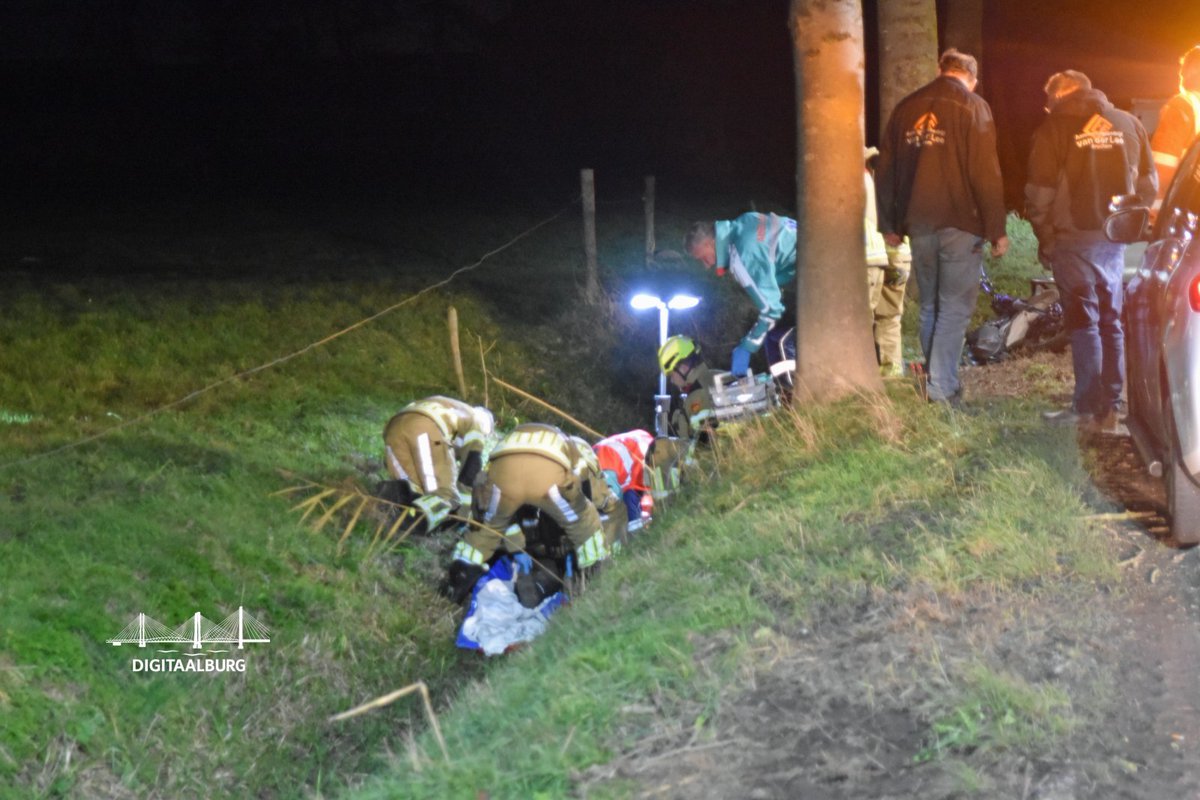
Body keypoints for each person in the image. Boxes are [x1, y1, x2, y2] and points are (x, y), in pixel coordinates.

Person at [875, 48, 1008, 406]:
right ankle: (942, 388)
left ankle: (935, 380)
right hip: (960, 223)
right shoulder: (973, 106)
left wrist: (889, 223)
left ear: (940, 70)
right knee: (954, 307)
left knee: (931, 306)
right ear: (972, 78)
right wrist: (996, 228)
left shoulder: (906, 108)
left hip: (918, 224)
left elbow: (885, 170)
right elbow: (985, 172)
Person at [1025, 70, 1156, 430]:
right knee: (1112, 322)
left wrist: (1046, 238)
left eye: (1049, 101)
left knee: (1084, 323)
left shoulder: (1052, 130)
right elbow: (1148, 184)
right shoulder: (1128, 123)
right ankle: (1110, 407)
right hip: (1114, 241)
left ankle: (1086, 407)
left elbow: (1039, 193)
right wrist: (1128, 221)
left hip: (1073, 240)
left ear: (1060, 95)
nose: (1047, 107)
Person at [443, 423, 611, 603]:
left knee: (485, 533)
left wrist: (516, 546)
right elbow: (583, 487)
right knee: (585, 526)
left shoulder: (516, 435)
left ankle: (453, 588)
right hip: (549, 479)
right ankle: (597, 587)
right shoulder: (574, 448)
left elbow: (489, 480)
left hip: (502, 473)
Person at [683, 211, 797, 376]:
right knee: (779, 336)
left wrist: (747, 346)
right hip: (818, 251)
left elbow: (771, 310)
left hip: (818, 271)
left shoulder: (743, 256)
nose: (706, 266)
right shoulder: (746, 221)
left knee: (780, 345)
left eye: (703, 258)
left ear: (710, 243)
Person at [381, 396, 494, 532]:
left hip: (394, 427)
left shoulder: (452, 407)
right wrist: (462, 514)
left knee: (415, 488)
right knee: (445, 495)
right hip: (425, 428)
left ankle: (384, 498)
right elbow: (471, 469)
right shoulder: (478, 423)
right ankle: (411, 527)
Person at [864, 146, 912, 376]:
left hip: (873, 256)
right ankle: (891, 371)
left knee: (864, 317)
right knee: (890, 316)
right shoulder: (894, 182)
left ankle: (864, 373)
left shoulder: (861, 183)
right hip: (900, 257)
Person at [1150, 45, 1200, 217]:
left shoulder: (1183, 106)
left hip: (1187, 213)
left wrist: (1154, 217)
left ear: (1185, 74)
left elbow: (1163, 167)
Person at [593, 429, 657, 533]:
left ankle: (635, 527)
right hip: (610, 461)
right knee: (613, 502)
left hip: (597, 457)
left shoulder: (642, 443)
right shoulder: (644, 448)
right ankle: (635, 528)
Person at [657, 335, 717, 440]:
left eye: (671, 375)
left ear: (683, 368)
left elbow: (704, 443)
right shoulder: (714, 376)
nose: (672, 381)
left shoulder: (697, 395)